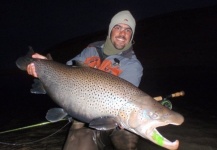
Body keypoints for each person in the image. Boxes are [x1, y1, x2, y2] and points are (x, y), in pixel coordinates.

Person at [27, 10, 143, 150]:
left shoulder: (133, 65)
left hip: (112, 121)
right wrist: (46, 65)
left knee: (127, 137)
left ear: (131, 35)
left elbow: (127, 101)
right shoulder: (92, 49)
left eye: (128, 30)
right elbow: (67, 70)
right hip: (79, 115)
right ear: (110, 30)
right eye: (118, 27)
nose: (122, 33)